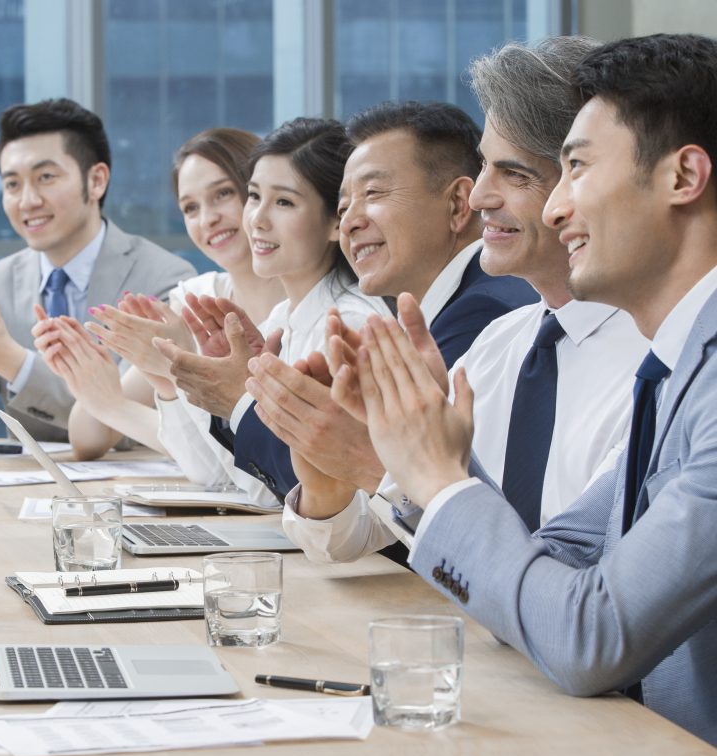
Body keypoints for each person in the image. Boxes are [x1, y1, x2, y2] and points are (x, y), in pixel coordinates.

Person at [340, 34, 717, 756]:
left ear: (684, 175)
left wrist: (443, 479)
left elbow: (590, 631)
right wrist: (420, 475)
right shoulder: (673, 366)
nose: (552, 206)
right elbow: (553, 569)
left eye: (574, 169)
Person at [274, 36, 647, 561]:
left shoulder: (657, 366)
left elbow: (565, 593)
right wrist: (326, 481)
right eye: (485, 168)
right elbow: (360, 538)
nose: (478, 197)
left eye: (513, 174)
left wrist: (384, 466)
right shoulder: (499, 346)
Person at [212, 102, 539, 502]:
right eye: (345, 205)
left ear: (456, 204)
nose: (349, 221)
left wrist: (243, 400)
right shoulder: (445, 308)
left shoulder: (485, 313)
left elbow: (380, 487)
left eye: (373, 193)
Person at [0, 98, 194, 441]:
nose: (27, 200)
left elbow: (127, 420)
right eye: (12, 184)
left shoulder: (165, 280)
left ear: (96, 181)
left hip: (131, 490)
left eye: (45, 177)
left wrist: (13, 362)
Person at [32, 128, 283, 504]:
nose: (208, 219)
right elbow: (88, 437)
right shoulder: (196, 299)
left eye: (223, 194)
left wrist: (160, 388)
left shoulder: (301, 308)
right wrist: (91, 378)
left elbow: (242, 469)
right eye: (191, 208)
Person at [155, 116, 392, 501]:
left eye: (283, 202)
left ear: (337, 220)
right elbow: (252, 483)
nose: (258, 220)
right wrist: (221, 392)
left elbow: (301, 493)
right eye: (253, 196)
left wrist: (237, 398)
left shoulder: (352, 326)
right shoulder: (283, 319)